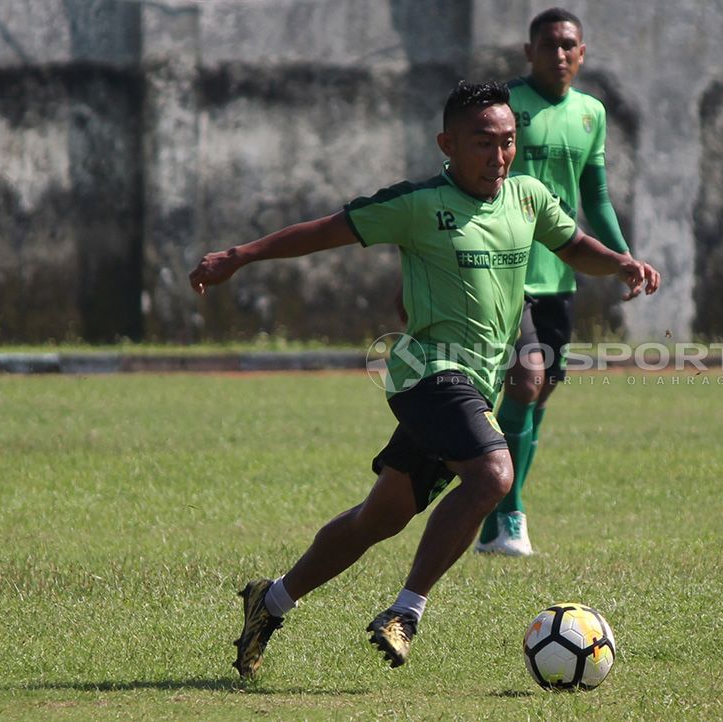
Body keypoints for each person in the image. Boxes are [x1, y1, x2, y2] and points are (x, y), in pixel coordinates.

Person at [188, 81, 660, 676]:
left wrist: (617, 262)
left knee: (380, 517)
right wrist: (240, 256)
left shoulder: (528, 198)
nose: (498, 157)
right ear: (448, 144)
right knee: (493, 474)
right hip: (426, 372)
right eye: (483, 143)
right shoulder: (417, 204)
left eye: (508, 143)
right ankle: (407, 611)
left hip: (476, 383)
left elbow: (573, 245)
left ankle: (271, 599)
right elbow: (327, 229)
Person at [475, 8, 634, 556]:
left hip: (558, 276)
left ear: (582, 54)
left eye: (569, 45)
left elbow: (595, 195)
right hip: (506, 271)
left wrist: (622, 258)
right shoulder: (506, 108)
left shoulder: (591, 113)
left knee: (537, 401)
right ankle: (511, 513)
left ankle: (496, 519)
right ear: (529, 52)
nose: (559, 54)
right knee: (525, 382)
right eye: (549, 45)